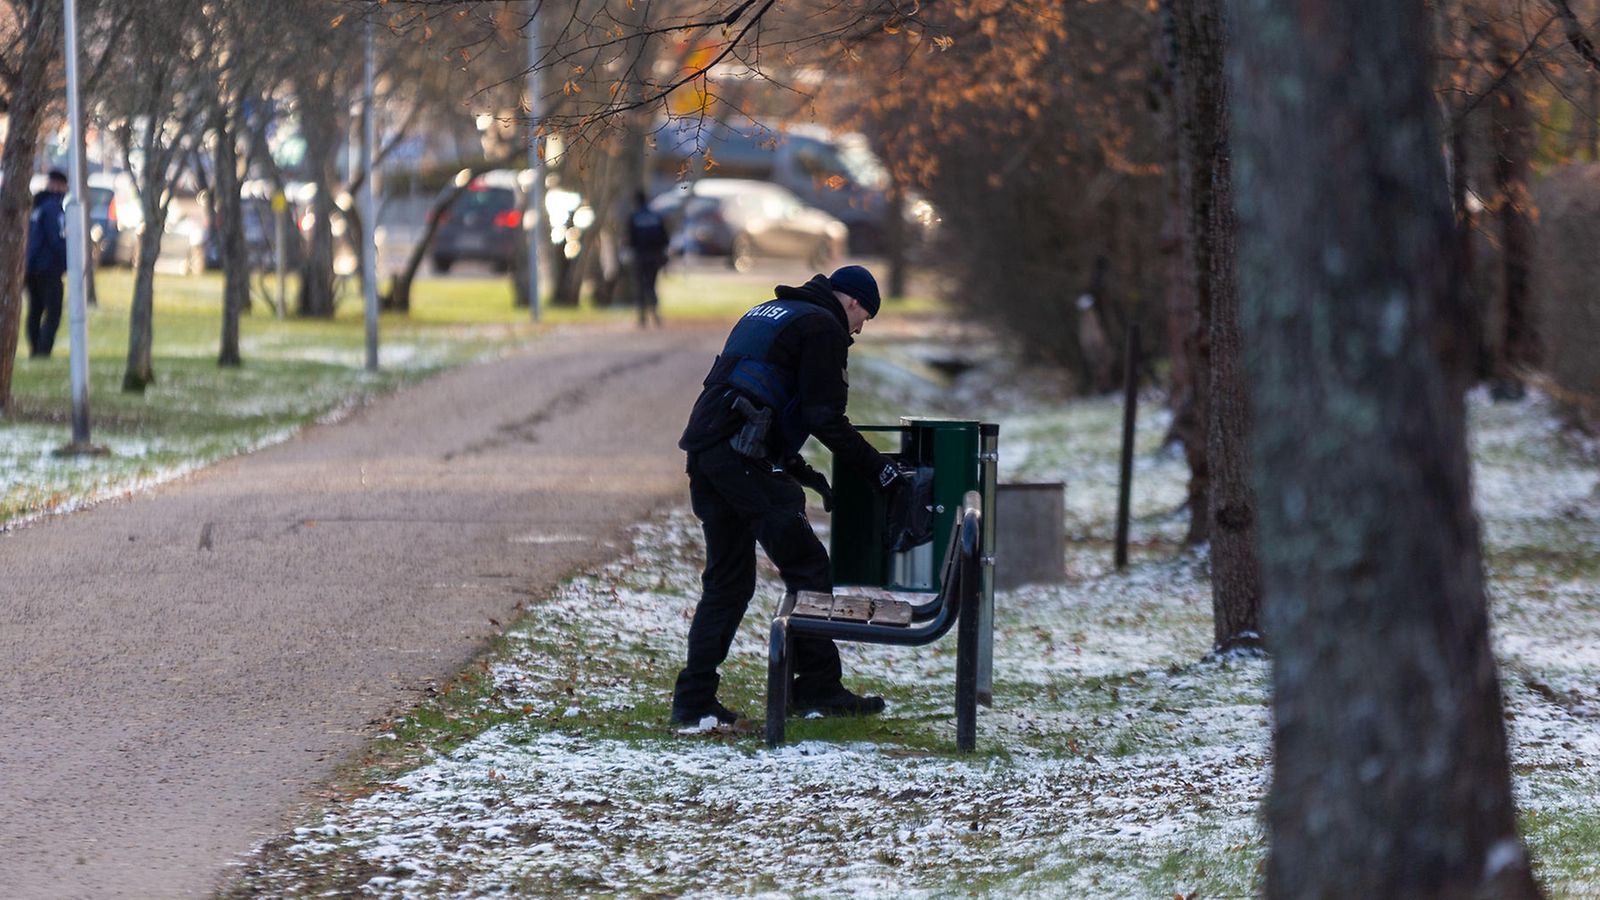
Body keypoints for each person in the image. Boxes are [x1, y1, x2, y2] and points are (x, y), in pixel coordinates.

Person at [672, 264, 910, 726]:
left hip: (709, 451)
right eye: (865, 319)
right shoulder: (823, 327)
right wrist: (879, 469)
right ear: (855, 303)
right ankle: (818, 689)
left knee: (728, 581)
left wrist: (801, 470)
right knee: (808, 566)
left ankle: (693, 699)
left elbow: (756, 394)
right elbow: (825, 417)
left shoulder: (767, 311)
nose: (859, 330)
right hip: (743, 459)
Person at [25, 170, 69, 359]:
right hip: (49, 268)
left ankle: (35, 348)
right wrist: (67, 261)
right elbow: (56, 238)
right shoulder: (53, 207)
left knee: (35, 310)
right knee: (53, 312)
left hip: (31, 267)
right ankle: (42, 351)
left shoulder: (37, 205)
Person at [626, 190, 670, 327]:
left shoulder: (634, 217)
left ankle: (642, 316)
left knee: (640, 285)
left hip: (640, 256)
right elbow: (664, 238)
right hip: (655, 256)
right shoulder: (656, 216)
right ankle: (655, 314)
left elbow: (630, 239)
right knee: (651, 284)